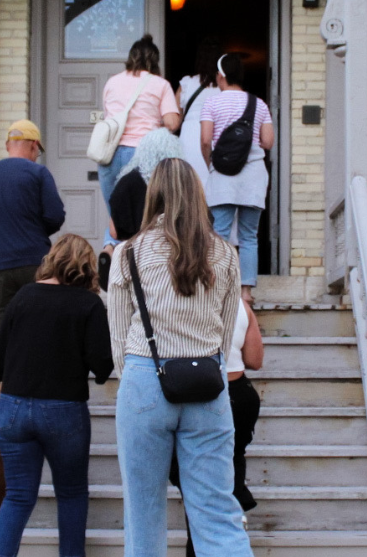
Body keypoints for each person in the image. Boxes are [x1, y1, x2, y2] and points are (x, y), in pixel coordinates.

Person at [107, 157, 253, 557]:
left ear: (153, 194)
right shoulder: (224, 253)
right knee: (217, 511)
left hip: (145, 376)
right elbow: (225, 332)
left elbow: (118, 334)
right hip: (207, 377)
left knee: (143, 512)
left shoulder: (128, 253)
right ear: (197, 194)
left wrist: (137, 378)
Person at [0, 234, 114, 557]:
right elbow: (102, 368)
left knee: (17, 496)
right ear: (86, 266)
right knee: (70, 494)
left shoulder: (25, 296)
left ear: (52, 259)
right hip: (64, 411)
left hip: (12, 407)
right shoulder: (88, 304)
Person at [170, 296, 264, 557]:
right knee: (232, 458)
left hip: (204, 393)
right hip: (241, 393)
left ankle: (210, 532)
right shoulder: (242, 306)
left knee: (192, 474)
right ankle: (234, 503)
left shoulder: (182, 301)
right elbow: (255, 360)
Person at [0, 119, 65, 335]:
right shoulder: (38, 173)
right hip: (35, 263)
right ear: (34, 145)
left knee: (4, 335)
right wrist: (33, 231)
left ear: (8, 145)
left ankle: (9, 368)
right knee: (40, 328)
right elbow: (55, 216)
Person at [97, 34, 180, 279]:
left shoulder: (112, 82)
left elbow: (108, 116)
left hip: (110, 154)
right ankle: (137, 267)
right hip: (141, 155)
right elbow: (171, 122)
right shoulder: (160, 84)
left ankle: (109, 250)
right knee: (144, 215)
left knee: (116, 212)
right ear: (154, 60)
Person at [200, 53, 274, 305]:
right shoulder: (259, 105)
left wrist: (211, 164)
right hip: (253, 176)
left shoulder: (211, 104)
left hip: (223, 176)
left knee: (218, 234)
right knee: (249, 236)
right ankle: (245, 294)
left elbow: (206, 140)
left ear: (221, 75)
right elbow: (268, 141)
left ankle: (218, 289)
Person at [108, 127, 185, 246]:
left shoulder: (127, 182)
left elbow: (113, 232)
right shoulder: (182, 183)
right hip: (177, 250)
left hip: (135, 251)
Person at [177, 37, 222, 190]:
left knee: (190, 189)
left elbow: (175, 120)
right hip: (214, 137)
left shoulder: (187, 84)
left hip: (189, 137)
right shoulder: (223, 88)